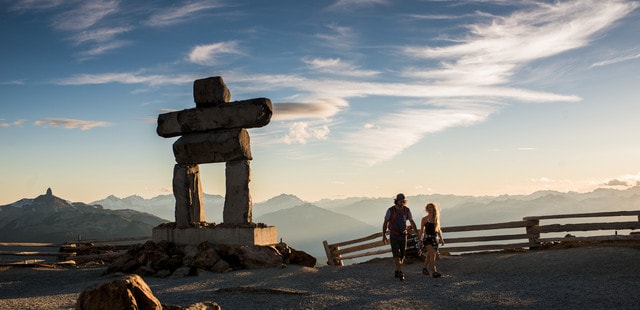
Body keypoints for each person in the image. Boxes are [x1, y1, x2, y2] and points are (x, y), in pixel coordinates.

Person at [382, 193, 418, 281]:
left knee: (402, 254)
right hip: (394, 235)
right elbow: (385, 222)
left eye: (403, 201)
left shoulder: (406, 210)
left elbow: (411, 221)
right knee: (396, 253)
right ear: (396, 201)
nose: (402, 202)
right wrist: (383, 235)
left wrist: (416, 232)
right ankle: (400, 272)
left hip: (403, 235)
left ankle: (397, 270)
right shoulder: (391, 210)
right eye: (400, 201)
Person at [419, 202, 445, 278]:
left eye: (431, 208)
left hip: (434, 238)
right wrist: (420, 240)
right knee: (432, 254)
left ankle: (424, 268)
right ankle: (434, 271)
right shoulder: (424, 219)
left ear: (434, 209)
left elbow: (438, 229)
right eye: (428, 208)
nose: (430, 209)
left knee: (430, 254)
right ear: (426, 209)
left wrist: (441, 239)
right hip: (427, 238)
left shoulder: (436, 218)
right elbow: (421, 230)